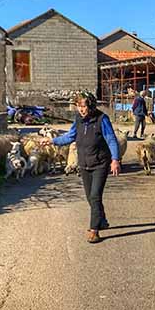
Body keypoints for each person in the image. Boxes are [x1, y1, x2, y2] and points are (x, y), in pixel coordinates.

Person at [45, 91, 121, 243]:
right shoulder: (78, 120)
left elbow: (111, 139)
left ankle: (94, 230)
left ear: (91, 105)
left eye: (83, 106)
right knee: (90, 197)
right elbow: (70, 136)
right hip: (84, 164)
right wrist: (52, 141)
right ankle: (102, 220)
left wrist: (115, 159)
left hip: (100, 163)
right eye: (79, 106)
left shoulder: (102, 119)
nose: (81, 109)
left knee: (94, 196)